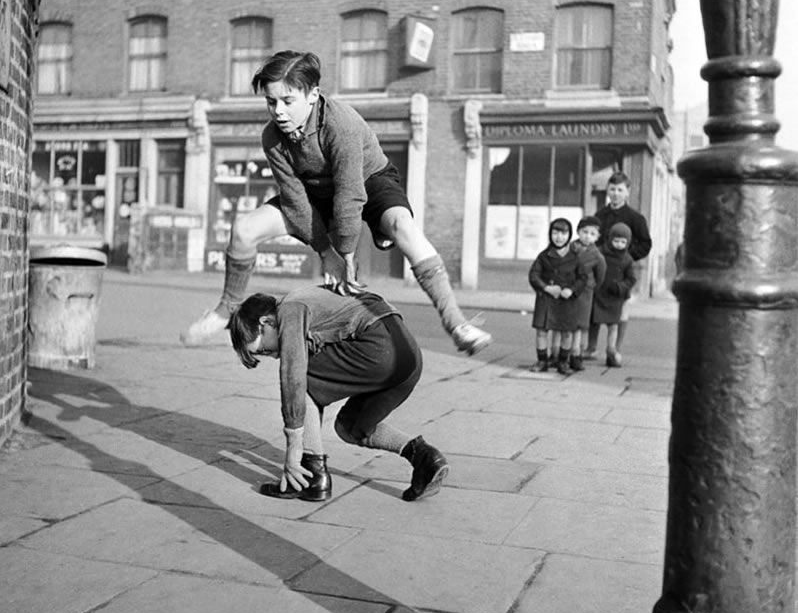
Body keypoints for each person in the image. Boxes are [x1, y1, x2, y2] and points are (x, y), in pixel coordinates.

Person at [183, 50, 491, 357]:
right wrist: (324, 252)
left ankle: (457, 323)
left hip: (369, 181)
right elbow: (295, 198)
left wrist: (344, 253)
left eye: (288, 101)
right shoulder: (273, 137)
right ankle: (227, 310)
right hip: (314, 193)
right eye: (271, 101)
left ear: (313, 95)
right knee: (243, 229)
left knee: (403, 226)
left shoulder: (340, 124)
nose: (278, 111)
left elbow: (350, 193)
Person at [227, 284, 449, 503]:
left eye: (264, 348)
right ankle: (424, 458)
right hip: (409, 360)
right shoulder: (314, 298)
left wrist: (294, 445)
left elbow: (293, 375)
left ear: (266, 322)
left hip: (378, 348)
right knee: (351, 427)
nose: (272, 355)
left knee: (300, 375)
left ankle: (312, 477)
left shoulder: (289, 308)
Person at [586, 171, 651, 358]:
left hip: (622, 275)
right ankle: (591, 348)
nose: (615, 193)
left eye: (620, 190)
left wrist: (626, 257)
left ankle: (615, 349)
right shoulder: (600, 215)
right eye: (612, 189)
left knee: (621, 312)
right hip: (600, 272)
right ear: (607, 190)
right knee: (594, 310)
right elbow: (593, 237)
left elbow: (646, 244)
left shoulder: (635, 218)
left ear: (627, 192)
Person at [528, 218, 588, 375]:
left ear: (569, 235)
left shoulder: (575, 257)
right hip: (546, 299)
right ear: (550, 234)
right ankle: (542, 361)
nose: (559, 237)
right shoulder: (543, 256)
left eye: (563, 233)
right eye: (555, 233)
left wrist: (572, 290)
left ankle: (563, 362)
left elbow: (582, 278)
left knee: (566, 332)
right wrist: (546, 287)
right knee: (541, 330)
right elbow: (534, 275)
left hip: (566, 301)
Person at [591, 222, 637, 367]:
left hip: (616, 295)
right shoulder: (600, 253)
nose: (619, 245)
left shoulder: (627, 259)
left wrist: (620, 287)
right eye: (616, 241)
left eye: (623, 242)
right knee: (593, 321)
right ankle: (589, 347)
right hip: (600, 292)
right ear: (609, 239)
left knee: (614, 325)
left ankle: (611, 350)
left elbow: (631, 278)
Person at [569, 216, 606, 371]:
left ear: (597, 237)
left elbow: (601, 274)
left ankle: (576, 353)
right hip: (569, 290)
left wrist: (592, 286)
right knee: (565, 322)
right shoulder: (570, 248)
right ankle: (561, 352)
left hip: (585, 292)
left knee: (579, 325)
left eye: (592, 234)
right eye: (584, 232)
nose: (587, 236)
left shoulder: (597, 255)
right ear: (578, 231)